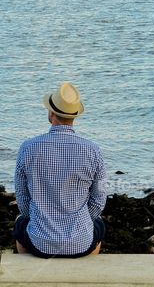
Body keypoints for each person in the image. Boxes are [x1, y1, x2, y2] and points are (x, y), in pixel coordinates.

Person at [13, 81, 107, 258]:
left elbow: (22, 198)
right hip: (81, 243)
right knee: (99, 226)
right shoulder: (93, 150)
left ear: (51, 113)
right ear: (75, 116)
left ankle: (27, 269)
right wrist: (85, 220)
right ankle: (83, 269)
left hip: (40, 244)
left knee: (20, 225)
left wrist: (34, 217)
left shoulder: (28, 147)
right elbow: (99, 199)